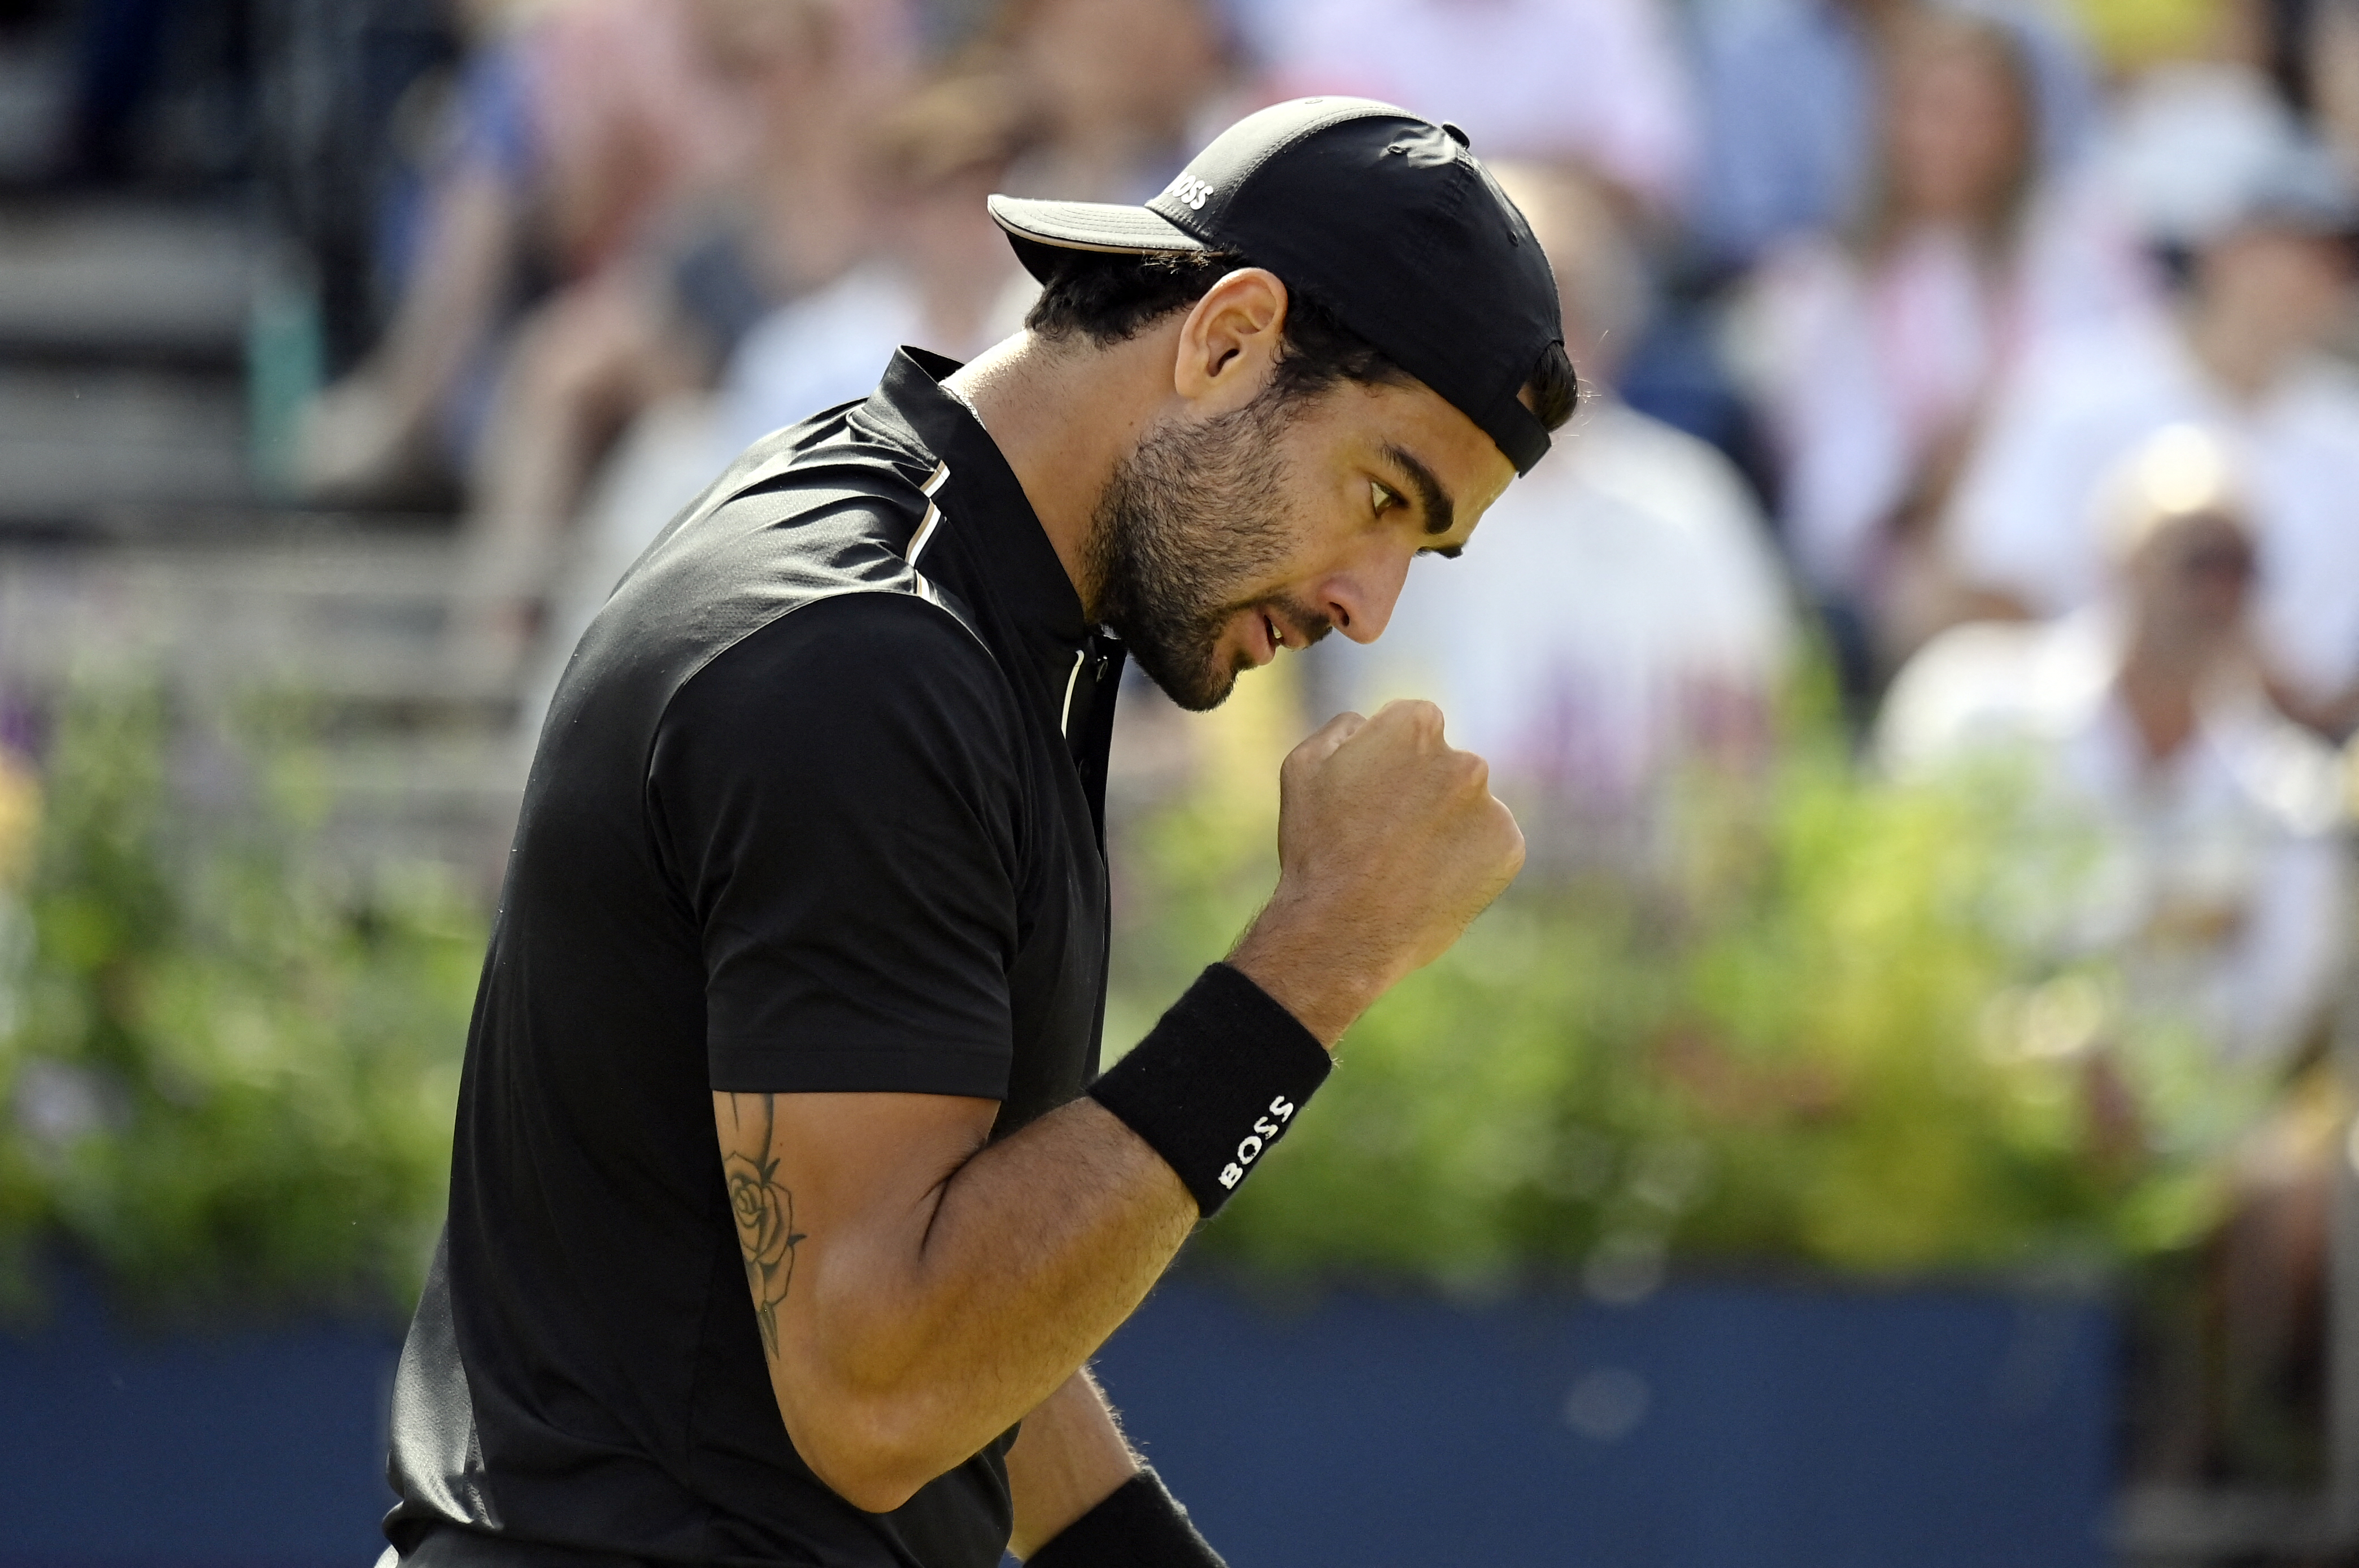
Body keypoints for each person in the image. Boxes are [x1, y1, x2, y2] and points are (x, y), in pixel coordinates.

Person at [377, 97, 1575, 1567]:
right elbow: (882, 1392)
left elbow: (965, 1286)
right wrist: (1316, 961)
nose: (1370, 605)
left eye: (1423, 546)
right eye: (1383, 495)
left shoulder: (973, 605)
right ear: (1227, 340)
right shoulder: (869, 661)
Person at [1332, 161, 1795, 868]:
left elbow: (1746, 743)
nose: (1536, 339)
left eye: (1563, 302)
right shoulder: (1385, 500)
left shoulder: (1685, 499)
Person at [1730, 7, 2157, 684]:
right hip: (1929, 563)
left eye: (1979, 114)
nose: (1954, 139)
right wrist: (1947, 468)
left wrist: (2012, 433)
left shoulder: (2081, 245)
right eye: (1932, 113)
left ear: (2020, 126)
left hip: (2087, 534)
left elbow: (2137, 396)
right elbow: (1839, 509)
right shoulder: (1828, 292)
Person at [1943, 134, 2359, 739]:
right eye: (2278, 249)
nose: (2298, 279)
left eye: (2326, 261)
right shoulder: (2078, 387)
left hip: (2270, 772)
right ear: (2220, 251)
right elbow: (1997, 586)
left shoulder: (2348, 437)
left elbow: (2331, 682)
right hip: (2063, 740)